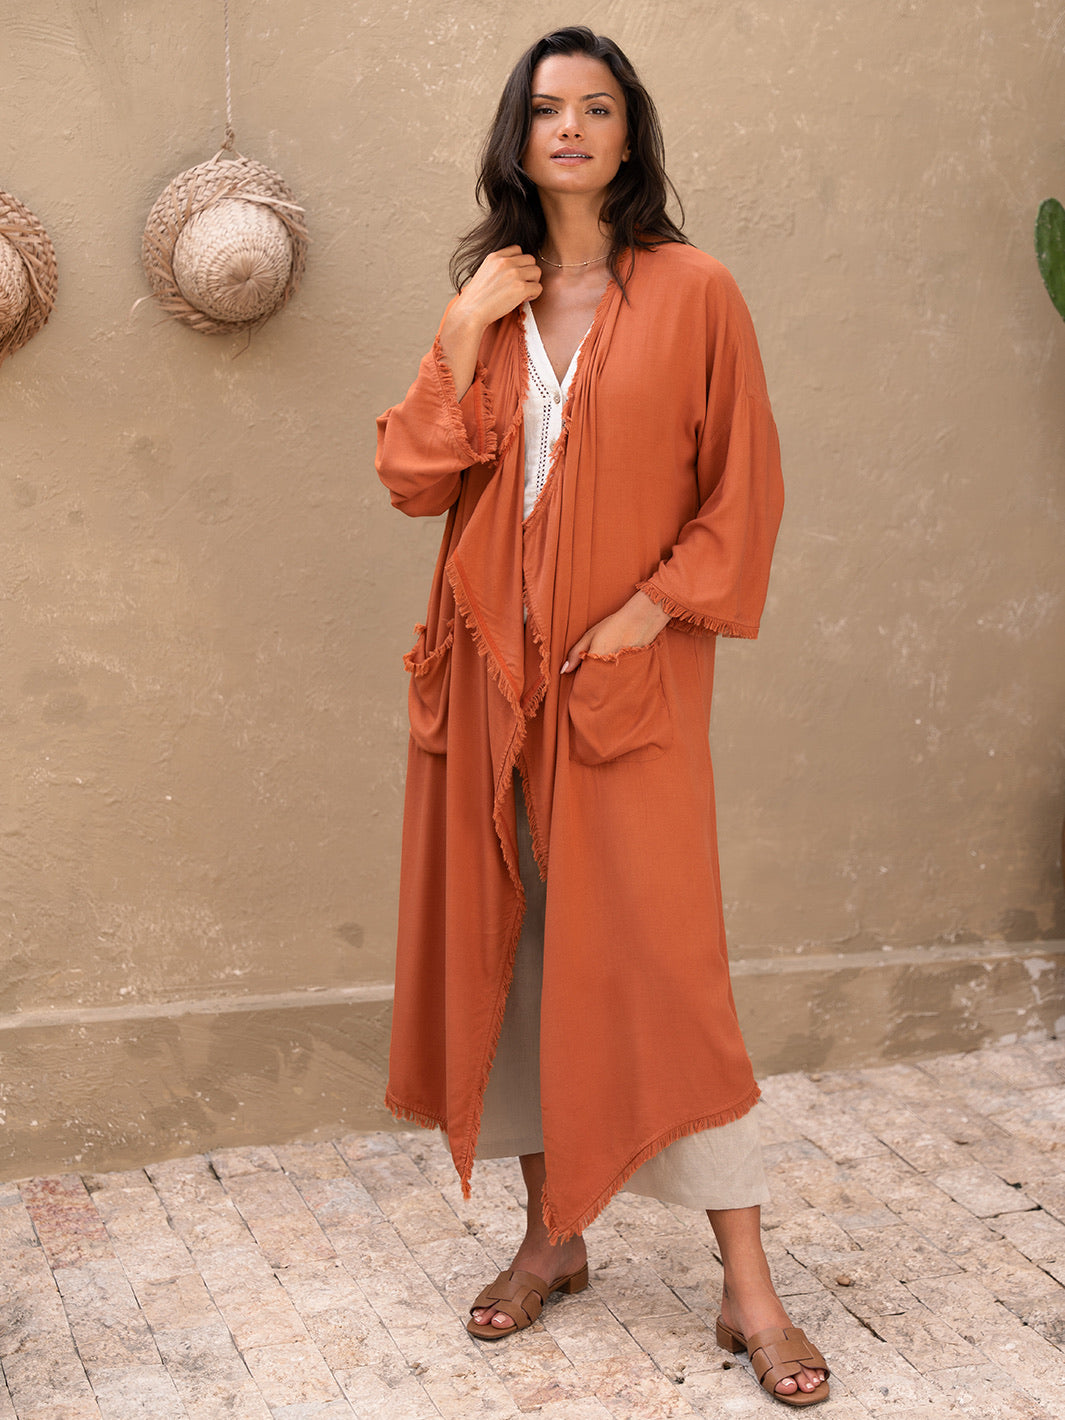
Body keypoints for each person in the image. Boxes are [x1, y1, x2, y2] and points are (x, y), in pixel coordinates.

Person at [375, 25, 829, 1408]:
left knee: (662, 970)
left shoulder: (696, 293)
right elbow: (409, 476)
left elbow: (740, 490)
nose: (569, 128)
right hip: (484, 688)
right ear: (516, 139)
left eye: (597, 107)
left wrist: (642, 614)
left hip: (619, 691)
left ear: (630, 137)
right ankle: (551, 1239)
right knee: (507, 953)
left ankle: (748, 1290)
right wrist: (460, 330)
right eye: (546, 109)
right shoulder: (492, 298)